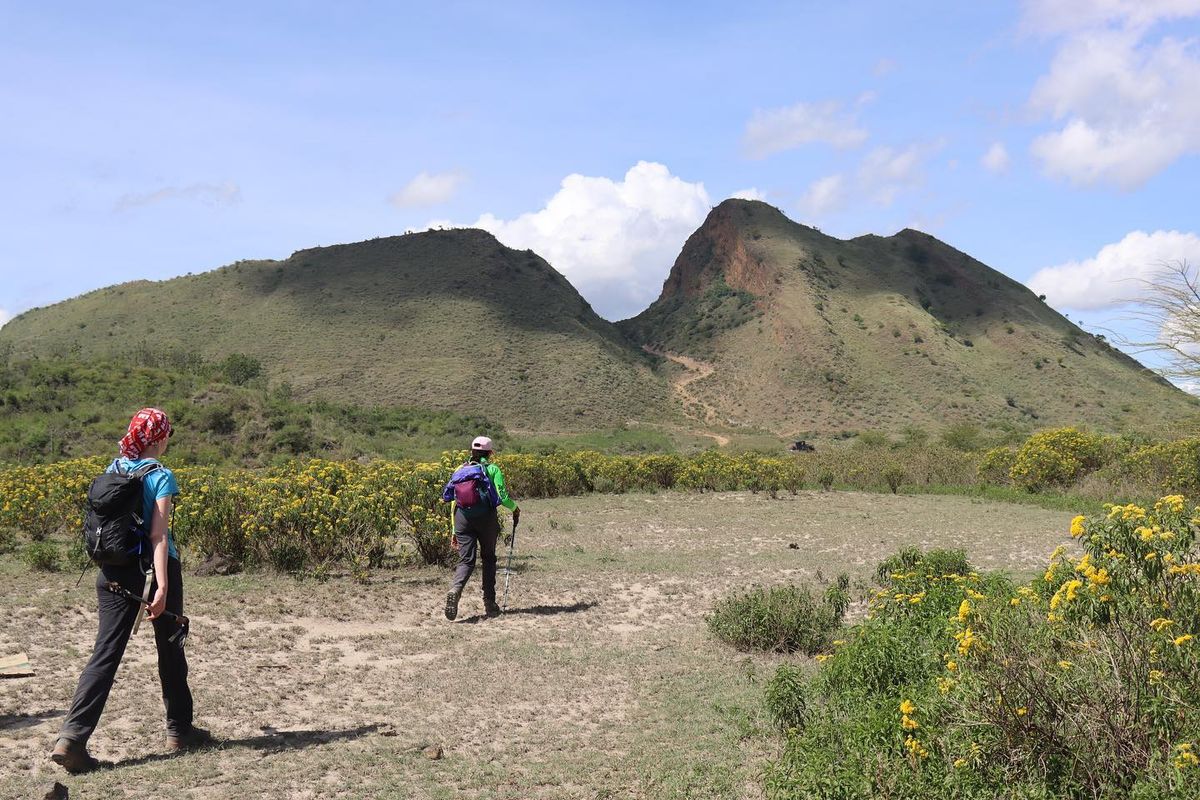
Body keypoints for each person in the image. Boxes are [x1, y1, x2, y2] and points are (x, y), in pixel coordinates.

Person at [51, 408, 210, 773]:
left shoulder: (114, 468)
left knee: (105, 652)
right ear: (157, 439)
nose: (168, 439)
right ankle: (179, 730)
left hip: (111, 571)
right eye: (166, 434)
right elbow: (158, 534)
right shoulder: (160, 475)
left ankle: (71, 738)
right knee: (170, 647)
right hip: (152, 571)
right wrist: (163, 585)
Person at [442, 435, 520, 620]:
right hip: (486, 519)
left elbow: (454, 502)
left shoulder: (460, 469)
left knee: (466, 561)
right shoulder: (492, 469)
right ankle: (489, 602)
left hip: (462, 519)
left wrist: (454, 529)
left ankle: (456, 589)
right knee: (488, 559)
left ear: (471, 452)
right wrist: (515, 509)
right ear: (490, 453)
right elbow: (503, 496)